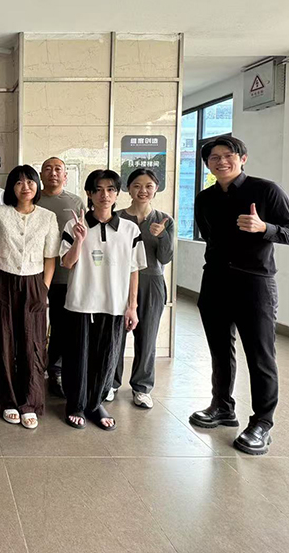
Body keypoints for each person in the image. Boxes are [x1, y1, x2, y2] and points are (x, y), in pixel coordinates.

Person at [189, 136, 289, 455]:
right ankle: (222, 407)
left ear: (242, 158)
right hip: (215, 281)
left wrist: (264, 228)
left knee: (260, 356)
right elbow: (208, 236)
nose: (221, 161)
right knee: (220, 351)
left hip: (255, 284)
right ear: (207, 164)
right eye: (213, 157)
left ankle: (263, 422)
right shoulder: (205, 198)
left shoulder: (266, 191)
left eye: (228, 155)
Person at [59, 169, 146, 431]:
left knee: (106, 357)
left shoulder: (130, 229)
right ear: (89, 193)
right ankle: (75, 404)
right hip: (80, 302)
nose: (104, 195)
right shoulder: (75, 226)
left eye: (110, 189)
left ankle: (95, 404)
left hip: (114, 304)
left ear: (117, 194)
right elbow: (67, 263)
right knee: (77, 357)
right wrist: (79, 240)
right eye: (98, 189)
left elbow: (134, 270)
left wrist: (132, 307)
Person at [0, 164, 60, 429]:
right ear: (12, 188)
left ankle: (30, 402)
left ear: (37, 185)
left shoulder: (48, 217)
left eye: (30, 181)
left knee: (33, 343)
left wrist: (44, 288)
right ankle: (6, 400)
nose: (25, 187)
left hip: (34, 282)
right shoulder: (0, 213)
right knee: (4, 341)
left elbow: (50, 257)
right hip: (3, 281)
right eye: (18, 182)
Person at [109, 168, 174, 409]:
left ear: (156, 189)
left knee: (147, 338)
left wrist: (162, 236)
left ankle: (142, 387)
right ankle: (111, 383)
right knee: (116, 335)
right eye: (137, 185)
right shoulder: (116, 217)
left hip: (152, 283)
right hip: (119, 282)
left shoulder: (164, 219)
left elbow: (165, 258)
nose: (143, 190)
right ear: (128, 189)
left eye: (148, 186)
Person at [38, 157, 85, 398]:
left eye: (58, 169)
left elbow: (82, 237)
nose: (53, 173)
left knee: (60, 326)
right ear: (41, 175)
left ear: (65, 176)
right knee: (35, 324)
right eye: (48, 169)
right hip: (34, 273)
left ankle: (55, 369)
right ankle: (34, 366)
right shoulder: (33, 198)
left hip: (64, 276)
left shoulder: (75, 202)